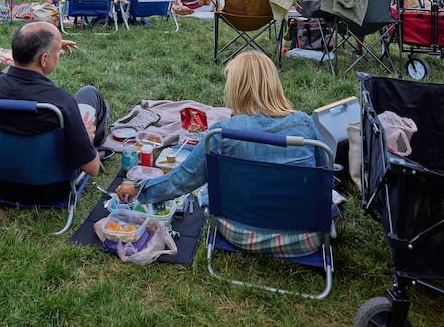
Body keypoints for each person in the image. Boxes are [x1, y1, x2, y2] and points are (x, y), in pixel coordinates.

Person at [115, 51, 331, 254]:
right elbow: (324, 179)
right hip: (307, 235)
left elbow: (182, 180)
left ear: (236, 88)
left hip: (241, 233)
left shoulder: (221, 133)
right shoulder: (305, 123)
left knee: (209, 189)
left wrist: (137, 188)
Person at [0, 21, 108, 202]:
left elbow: (6, 72)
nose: (59, 54)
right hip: (51, 188)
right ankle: (94, 135)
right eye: (56, 53)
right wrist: (84, 134)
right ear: (44, 59)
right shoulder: (60, 103)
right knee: (89, 94)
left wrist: (43, 48)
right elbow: (92, 169)